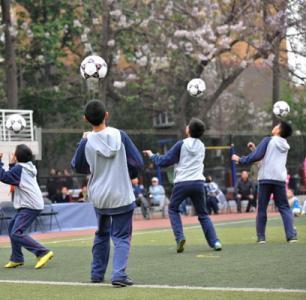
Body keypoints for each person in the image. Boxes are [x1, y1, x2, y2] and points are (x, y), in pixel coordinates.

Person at [71, 100, 144, 287]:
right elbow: (137, 162)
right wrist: (130, 175)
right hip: (121, 194)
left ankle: (97, 274)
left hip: (99, 196)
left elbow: (77, 166)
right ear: (107, 115)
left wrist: (84, 142)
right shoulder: (120, 135)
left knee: (102, 233)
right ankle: (119, 274)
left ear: (85, 119)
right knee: (121, 236)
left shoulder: (86, 141)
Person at [144, 118, 222, 253]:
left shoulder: (181, 144)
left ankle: (180, 238)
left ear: (188, 130)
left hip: (182, 183)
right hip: (198, 183)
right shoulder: (202, 146)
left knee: (173, 209)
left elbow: (165, 161)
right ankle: (215, 242)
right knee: (203, 214)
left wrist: (152, 155)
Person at [232, 121, 297, 243]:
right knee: (284, 207)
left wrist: (240, 160)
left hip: (266, 179)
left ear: (278, 130)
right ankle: (291, 236)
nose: (275, 126)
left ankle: (261, 237)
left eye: (277, 125)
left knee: (262, 208)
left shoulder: (269, 140)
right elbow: (264, 158)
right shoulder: (285, 145)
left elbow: (257, 157)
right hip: (279, 179)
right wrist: (254, 149)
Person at [0, 144, 54, 269]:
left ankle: (43, 252)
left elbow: (4, 177)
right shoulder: (28, 166)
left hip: (30, 205)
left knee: (16, 232)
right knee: (12, 228)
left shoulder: (20, 169)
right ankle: (17, 258)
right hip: (30, 204)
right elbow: (13, 176)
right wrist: (12, 164)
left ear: (16, 157)